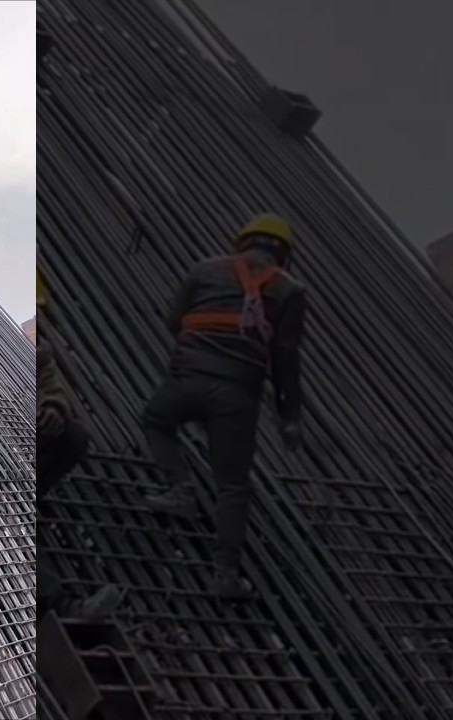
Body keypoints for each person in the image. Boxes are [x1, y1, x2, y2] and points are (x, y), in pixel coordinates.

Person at [141, 213, 307, 600]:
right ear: (283, 254)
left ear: (242, 242)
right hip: (238, 396)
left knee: (156, 421)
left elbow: (173, 320)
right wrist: (290, 418)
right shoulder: (290, 290)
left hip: (186, 380)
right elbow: (286, 357)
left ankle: (180, 490)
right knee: (233, 485)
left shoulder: (205, 270)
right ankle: (225, 575)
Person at [37, 281, 124, 621]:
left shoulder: (40, 355)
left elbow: (53, 391)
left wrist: (52, 412)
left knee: (74, 434)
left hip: (33, 444)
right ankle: (59, 605)